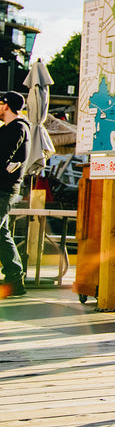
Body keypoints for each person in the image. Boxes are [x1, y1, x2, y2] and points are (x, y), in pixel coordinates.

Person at [0, 91, 31, 297]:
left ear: (6, 105)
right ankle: (14, 278)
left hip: (3, 189)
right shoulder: (10, 128)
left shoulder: (17, 128)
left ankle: (15, 277)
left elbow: (3, 157)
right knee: (2, 234)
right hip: (4, 188)